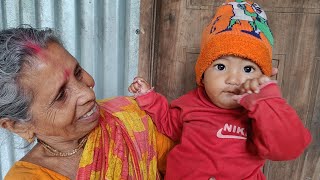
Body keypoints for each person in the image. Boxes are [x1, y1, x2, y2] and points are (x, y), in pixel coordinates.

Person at [128, 0, 312, 179]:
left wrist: (266, 101)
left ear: (263, 77)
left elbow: (288, 147)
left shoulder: (261, 114)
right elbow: (168, 123)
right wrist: (148, 98)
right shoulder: (192, 103)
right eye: (221, 67)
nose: (233, 80)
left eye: (248, 69)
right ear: (203, 74)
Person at [0, 27, 174, 180]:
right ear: (18, 126)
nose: (88, 94)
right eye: (61, 95)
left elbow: (184, 167)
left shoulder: (128, 116)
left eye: (78, 72)